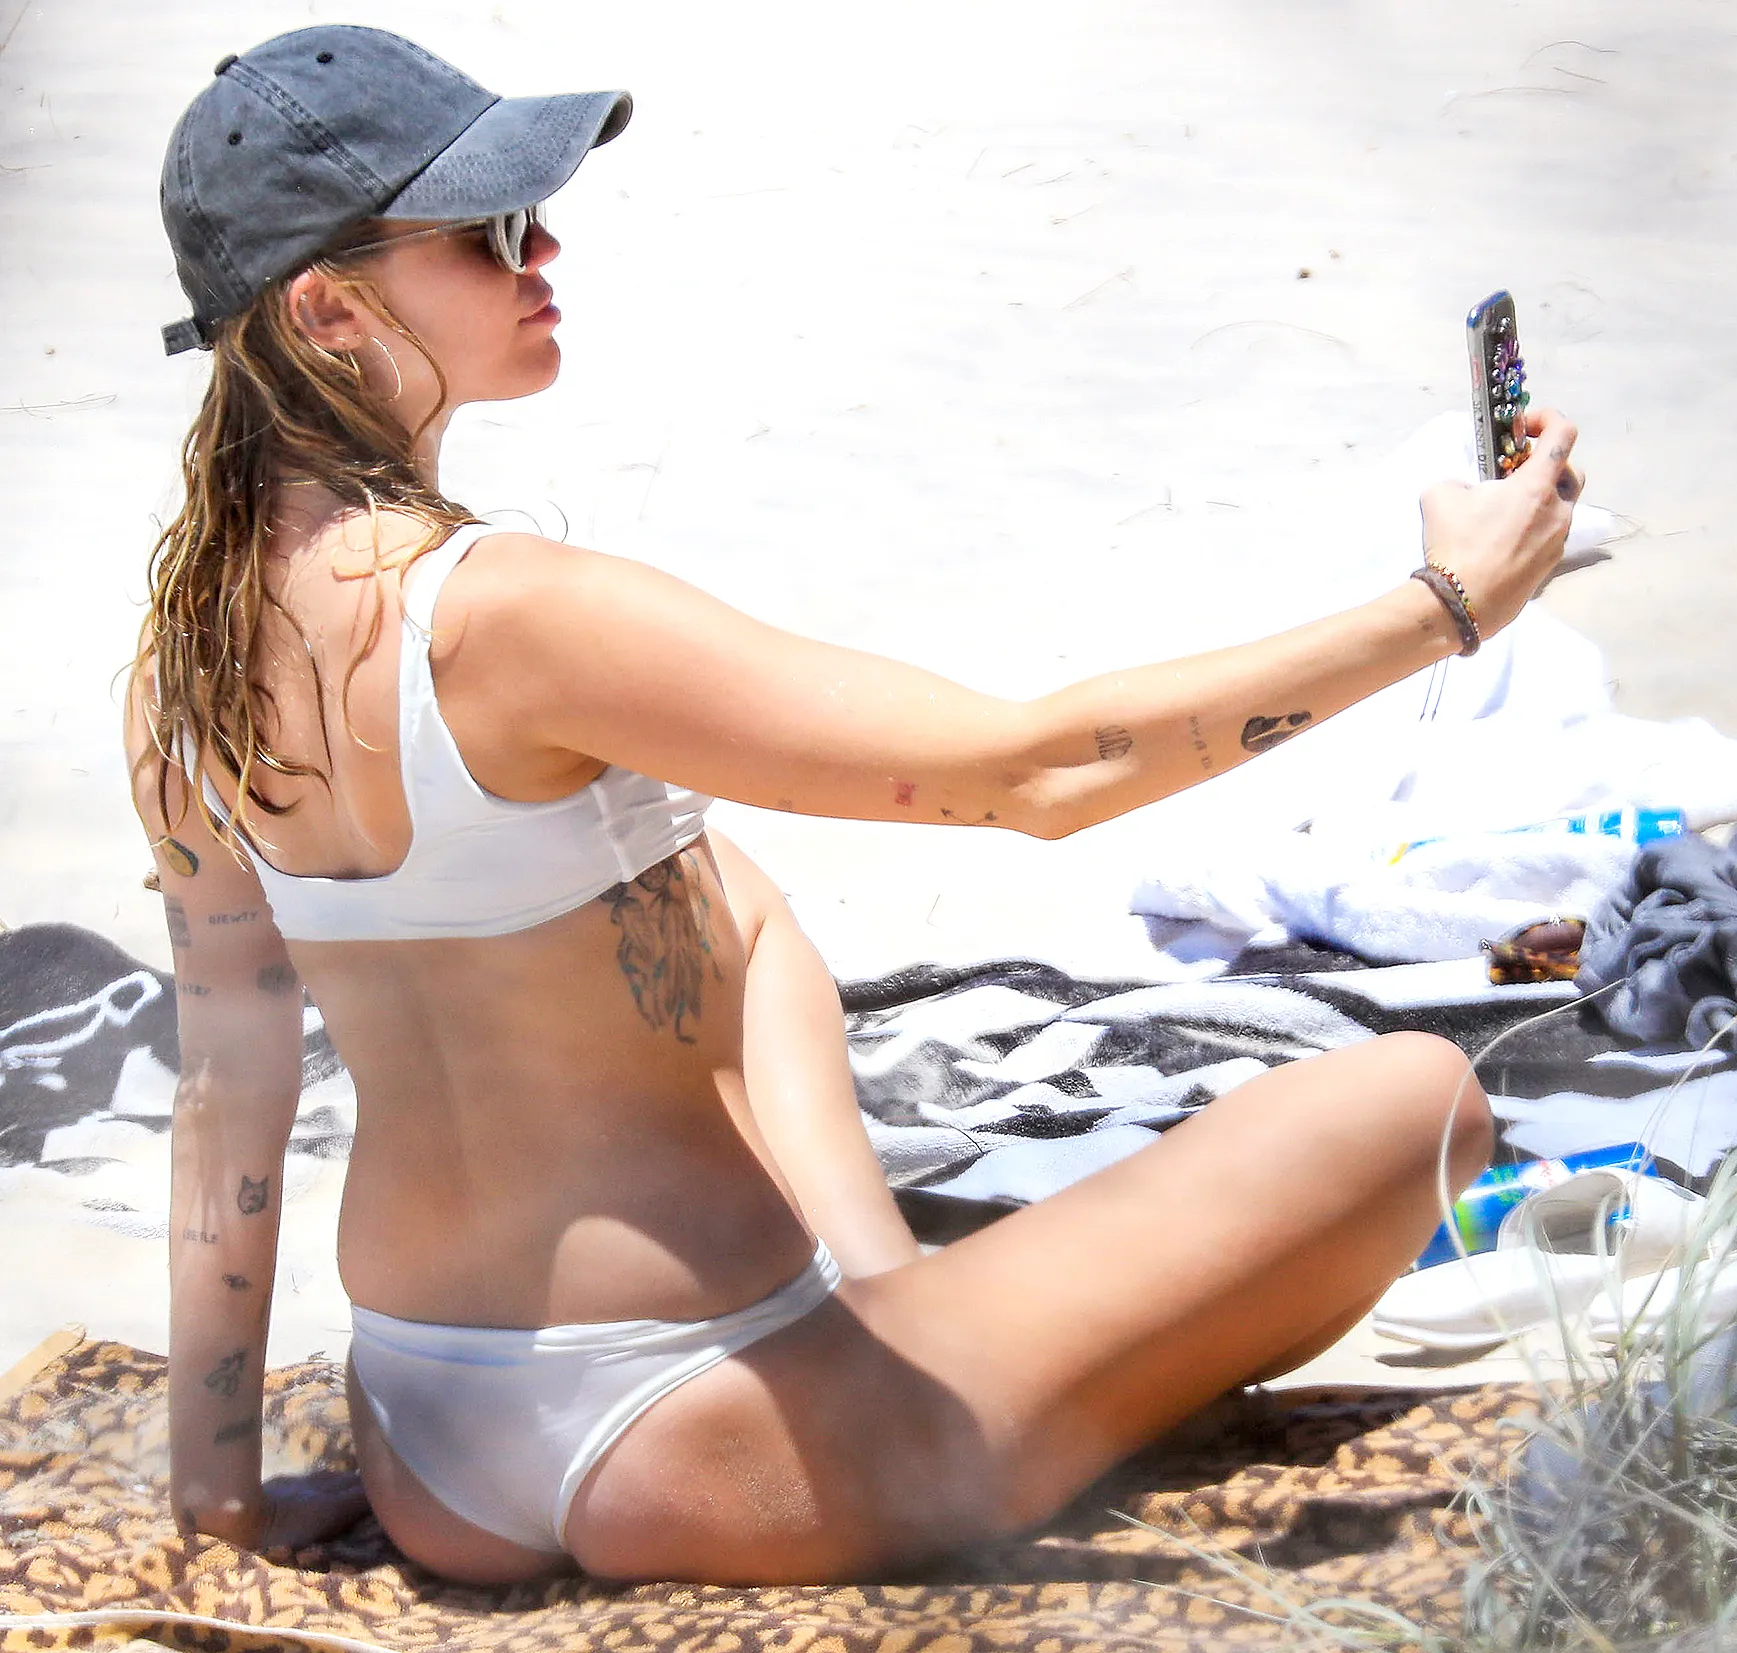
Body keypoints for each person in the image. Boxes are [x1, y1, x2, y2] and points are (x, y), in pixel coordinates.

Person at [130, 25, 1582, 1587]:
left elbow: (230, 1093)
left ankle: (879, 1280)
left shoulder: (184, 665)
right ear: (327, 310)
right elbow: (1034, 774)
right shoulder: (507, 612)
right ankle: (911, 1335)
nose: (543, 251)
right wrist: (1450, 605)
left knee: (711, 877)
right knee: (1419, 1100)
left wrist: (219, 1493)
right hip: (728, 1444)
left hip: (430, 1441)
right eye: (488, 232)